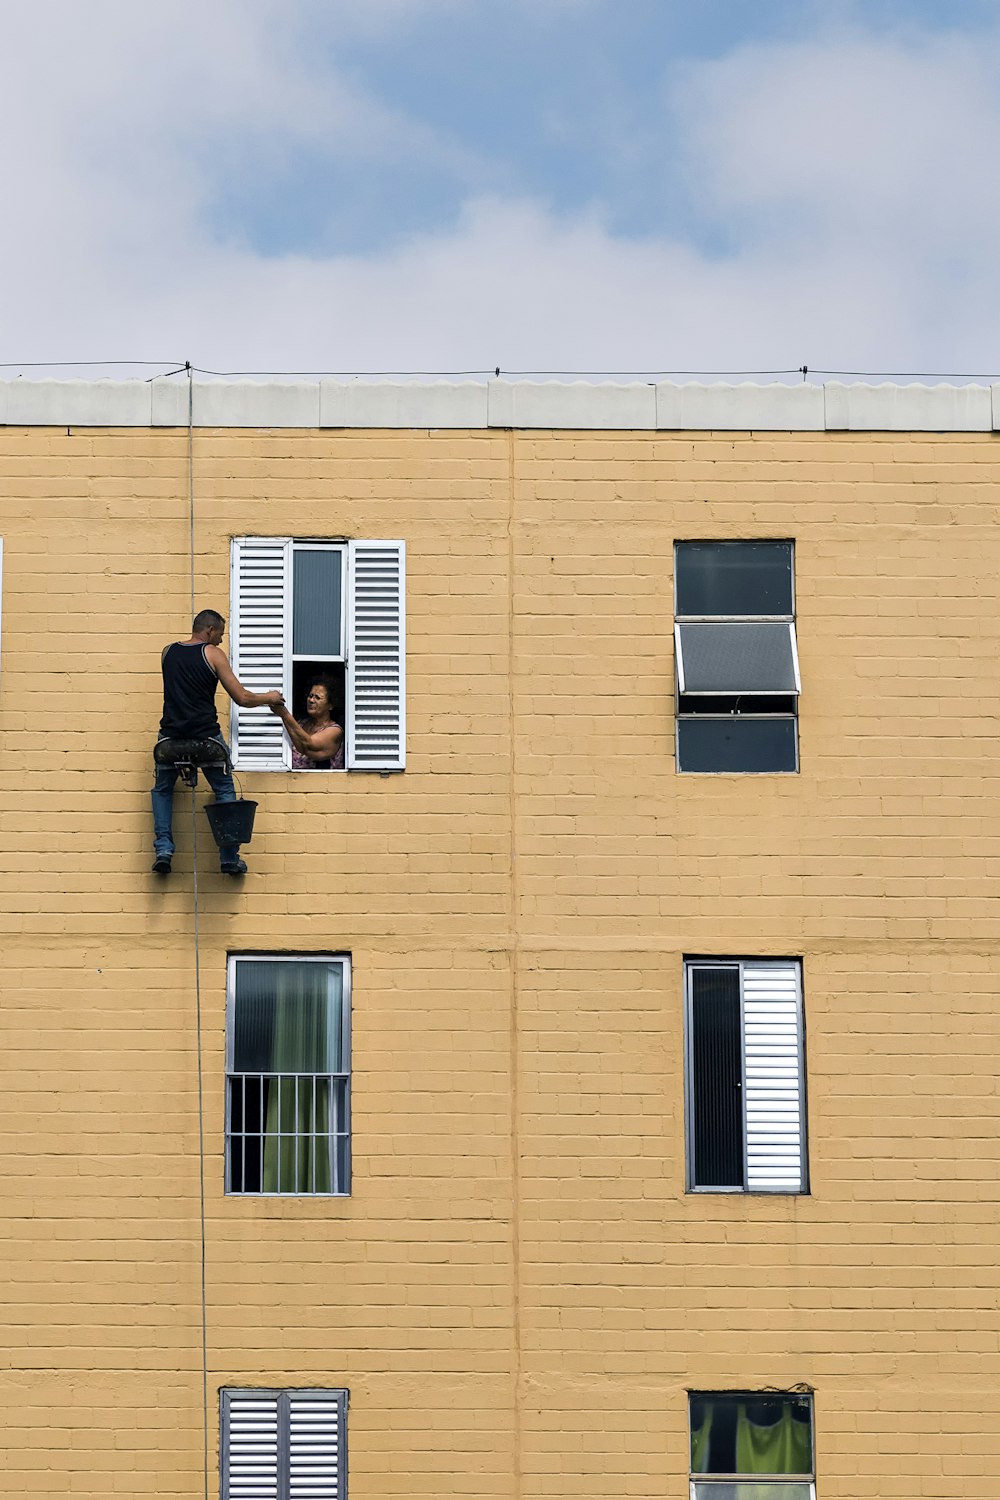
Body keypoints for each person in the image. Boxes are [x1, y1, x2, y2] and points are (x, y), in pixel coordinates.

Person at [152, 608, 283, 876]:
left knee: (163, 789)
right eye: (220, 635)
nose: (222, 641)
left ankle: (163, 850)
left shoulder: (167, 652)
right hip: (205, 739)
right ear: (209, 630)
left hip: (170, 740)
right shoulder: (213, 654)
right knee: (224, 788)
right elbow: (242, 698)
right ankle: (229, 858)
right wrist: (270, 697)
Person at [269, 674, 345, 769]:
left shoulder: (335, 731)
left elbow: (308, 745)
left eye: (317, 697)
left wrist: (285, 715)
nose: (311, 700)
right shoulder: (301, 723)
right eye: (310, 696)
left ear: (331, 705)